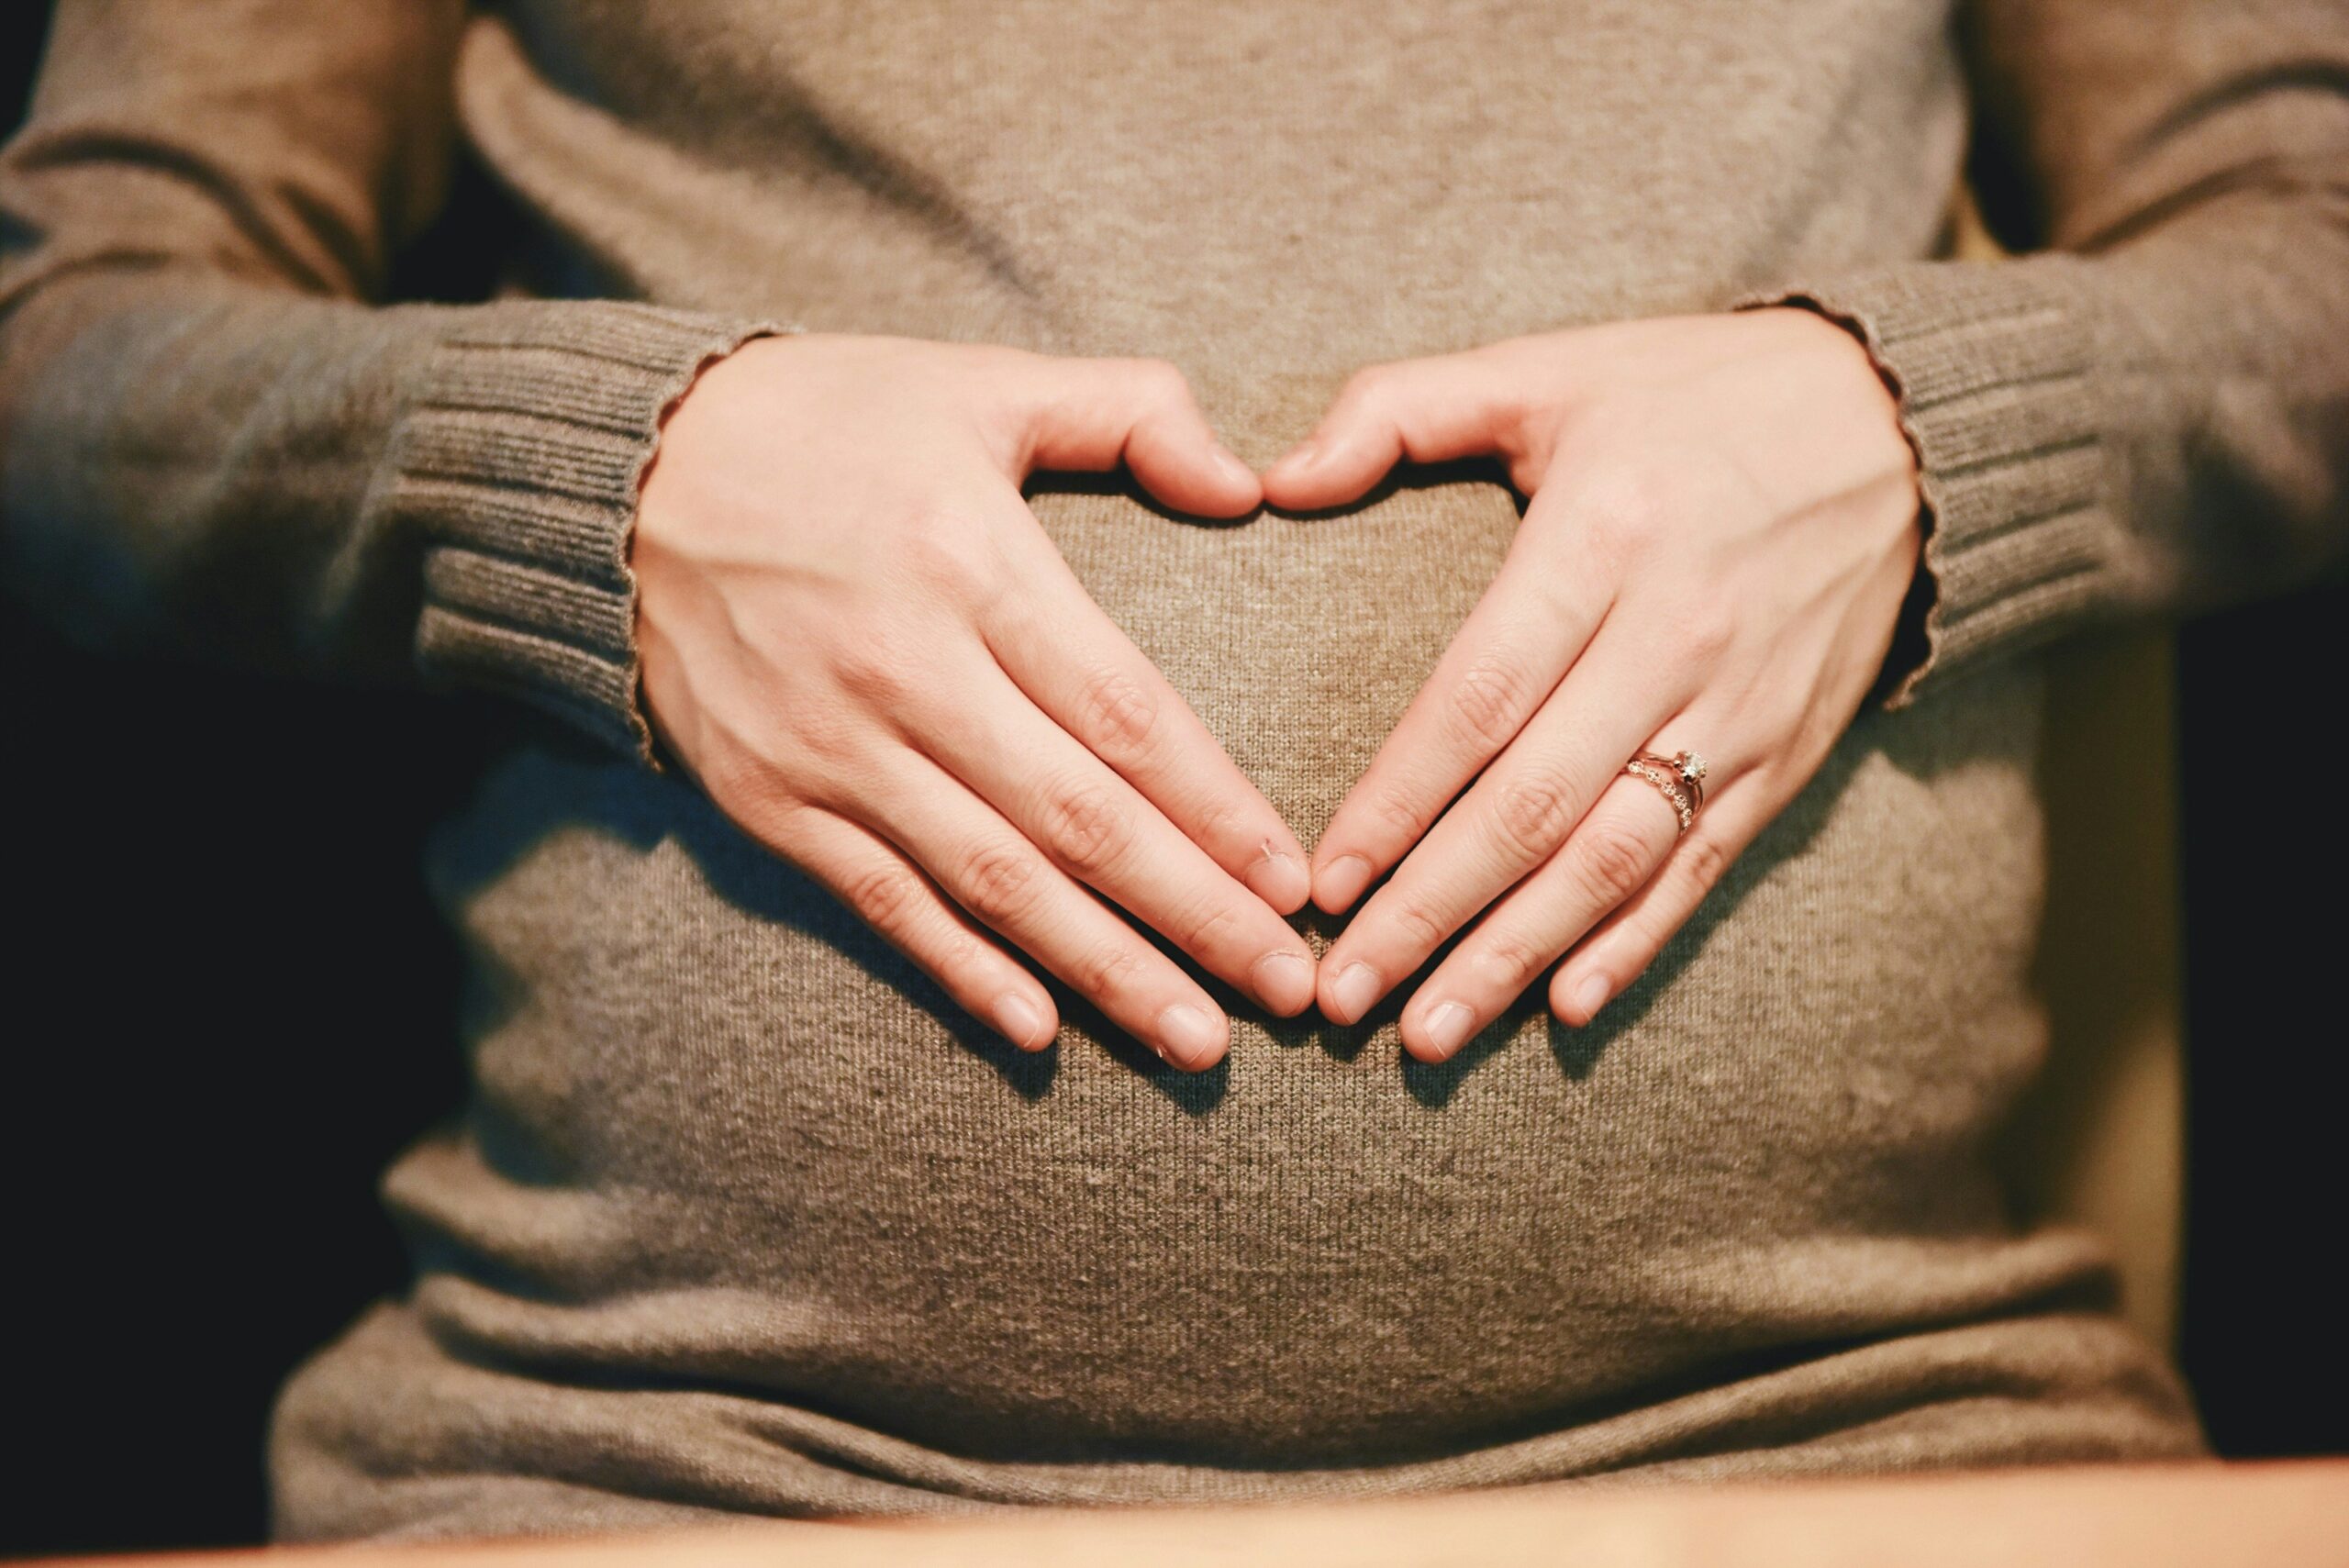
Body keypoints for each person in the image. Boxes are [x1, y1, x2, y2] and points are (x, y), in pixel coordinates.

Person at [2, 0, 2341, 1543]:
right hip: (667, 1472)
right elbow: (66, 357)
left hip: (1848, 1451)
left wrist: (1917, 430)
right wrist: (592, 479)